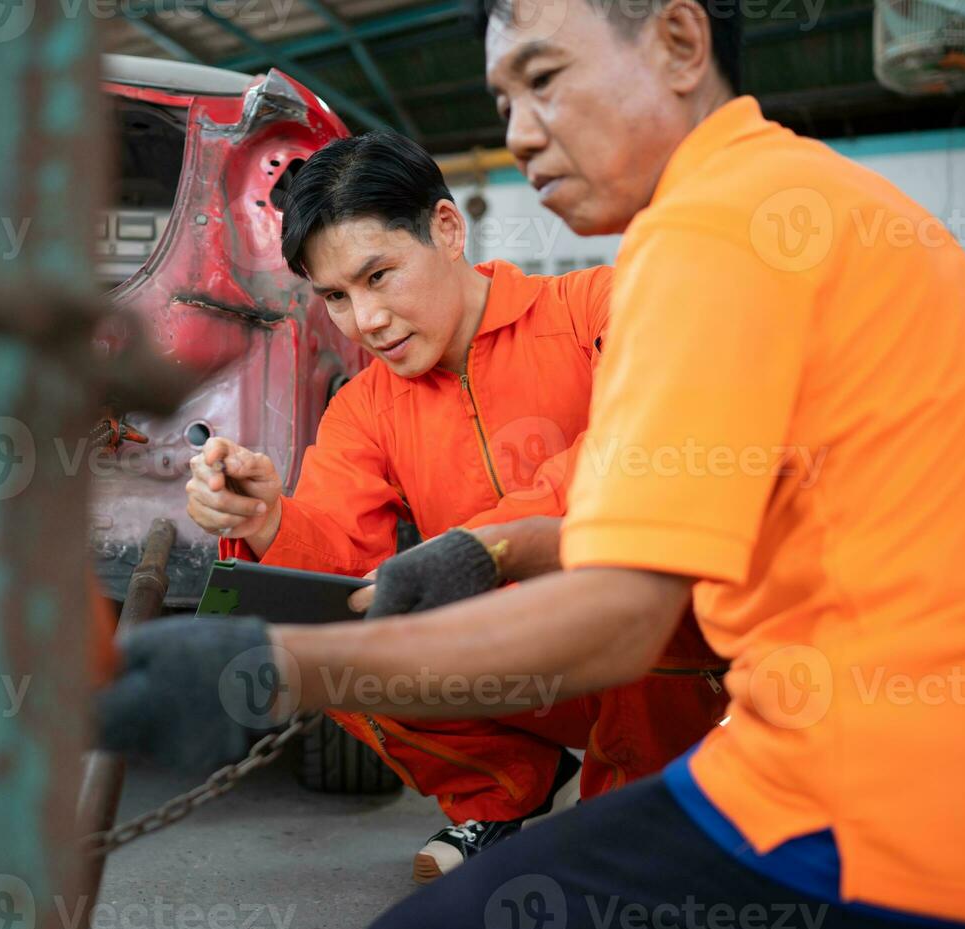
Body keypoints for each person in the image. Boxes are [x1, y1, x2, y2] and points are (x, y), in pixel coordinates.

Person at [103, 0, 965, 929]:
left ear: (682, 43)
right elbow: (582, 523)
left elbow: (619, 608)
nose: (519, 131)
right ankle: (505, 803)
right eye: (503, 98)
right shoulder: (782, 200)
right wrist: (284, 521)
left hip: (893, 774)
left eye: (546, 79)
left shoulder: (685, 254)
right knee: (389, 628)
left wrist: (280, 668)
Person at [176, 129, 727, 882]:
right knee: (339, 654)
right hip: (514, 668)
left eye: (378, 276)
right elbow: (345, 568)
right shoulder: (364, 406)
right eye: (335, 296)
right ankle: (507, 799)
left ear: (445, 227)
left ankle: (633, 821)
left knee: (635, 581)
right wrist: (268, 521)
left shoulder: (597, 309)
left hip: (656, 658)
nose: (363, 320)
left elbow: (635, 459)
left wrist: (478, 547)